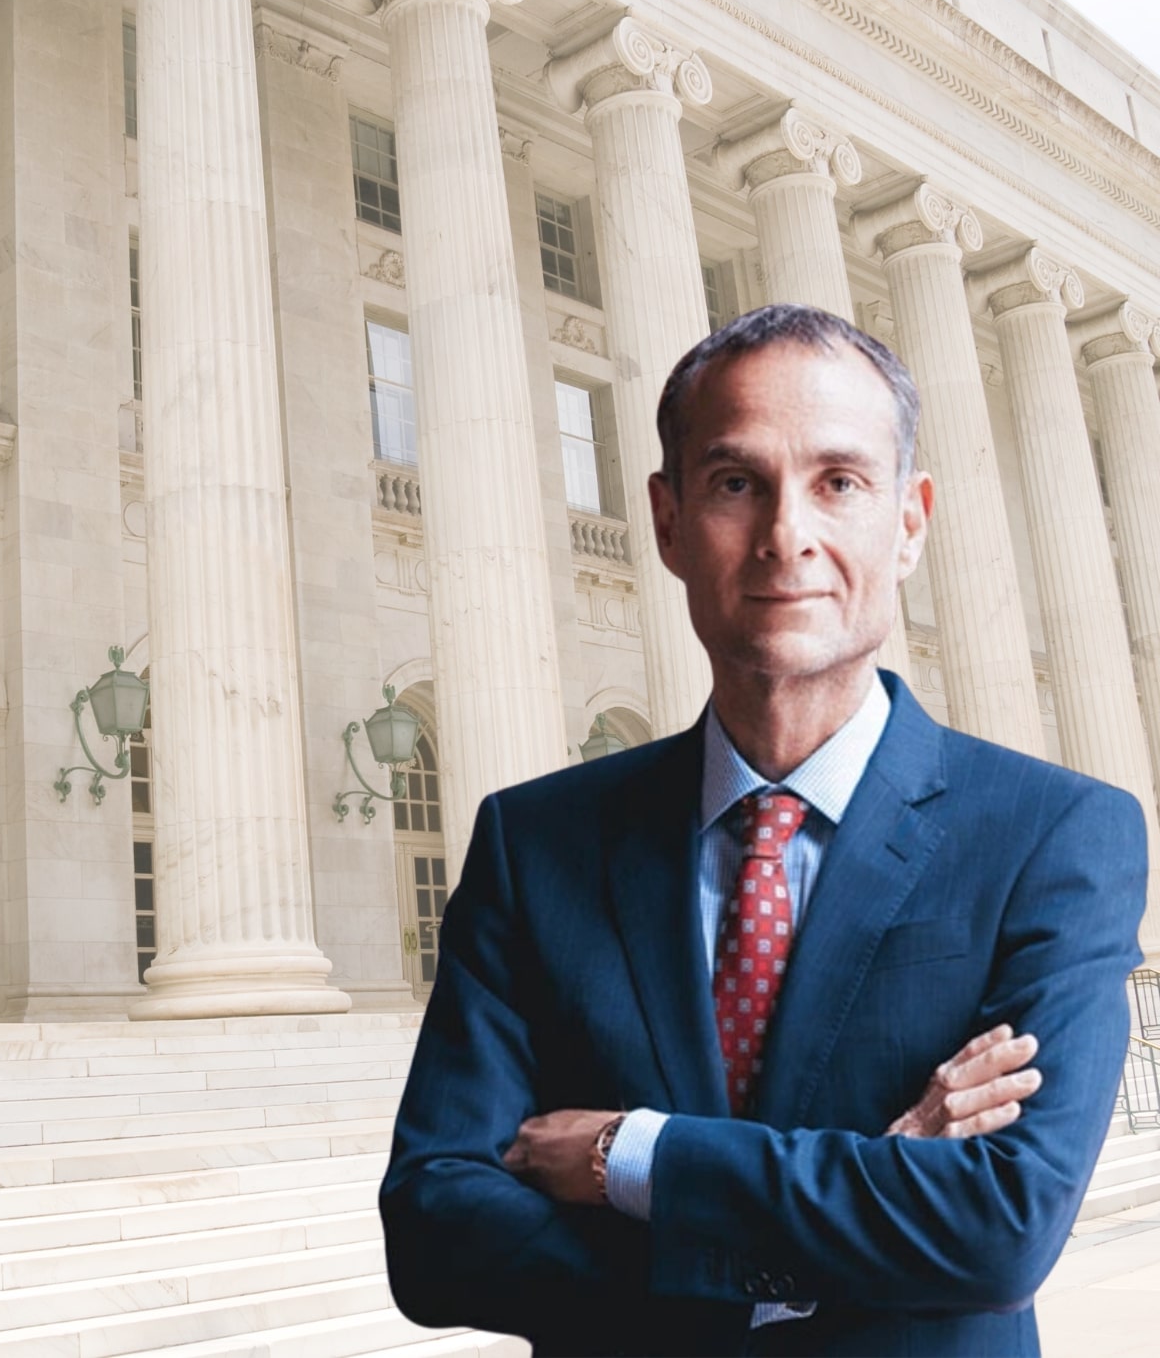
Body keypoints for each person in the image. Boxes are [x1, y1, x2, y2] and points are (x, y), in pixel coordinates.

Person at [380, 303, 1147, 1356]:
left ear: (909, 522)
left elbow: (996, 1228)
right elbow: (431, 1234)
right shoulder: (532, 842)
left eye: (839, 481)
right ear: (665, 521)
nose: (787, 534)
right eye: (735, 482)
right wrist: (839, 1223)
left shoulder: (1053, 834)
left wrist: (631, 1157)